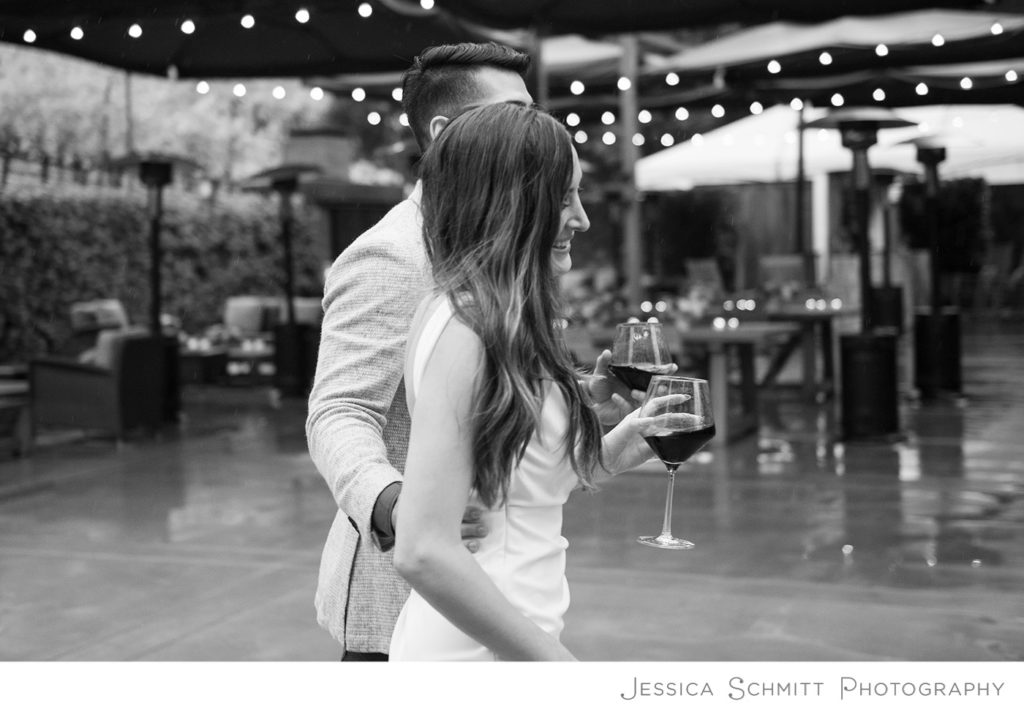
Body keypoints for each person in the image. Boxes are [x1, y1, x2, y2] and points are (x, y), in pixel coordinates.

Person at [306, 42, 637, 661]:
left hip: (501, 601)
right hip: (413, 597)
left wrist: (567, 406)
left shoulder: (507, 265)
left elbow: (490, 411)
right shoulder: (393, 255)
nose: (530, 127)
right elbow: (339, 410)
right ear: (447, 133)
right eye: (512, 111)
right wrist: (395, 503)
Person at [389, 103, 677, 661]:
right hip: (475, 657)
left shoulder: (493, 317)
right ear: (509, 204)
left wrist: (613, 443)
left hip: (511, 642)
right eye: (563, 198)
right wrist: (556, 667)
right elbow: (422, 550)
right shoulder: (469, 329)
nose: (582, 218)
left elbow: (514, 488)